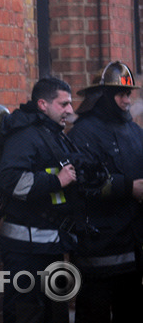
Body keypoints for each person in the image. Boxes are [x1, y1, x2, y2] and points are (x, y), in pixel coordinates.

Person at [0, 76, 79, 323]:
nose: (70, 110)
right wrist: (56, 181)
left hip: (51, 246)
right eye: (63, 104)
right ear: (43, 104)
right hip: (23, 251)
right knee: (24, 313)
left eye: (70, 104)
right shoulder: (24, 135)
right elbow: (10, 181)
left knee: (57, 315)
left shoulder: (54, 135)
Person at [67, 61, 143, 323]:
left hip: (133, 249)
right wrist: (128, 187)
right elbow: (83, 183)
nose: (126, 100)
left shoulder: (134, 131)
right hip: (98, 251)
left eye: (128, 94)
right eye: (121, 94)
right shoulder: (83, 134)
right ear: (104, 96)